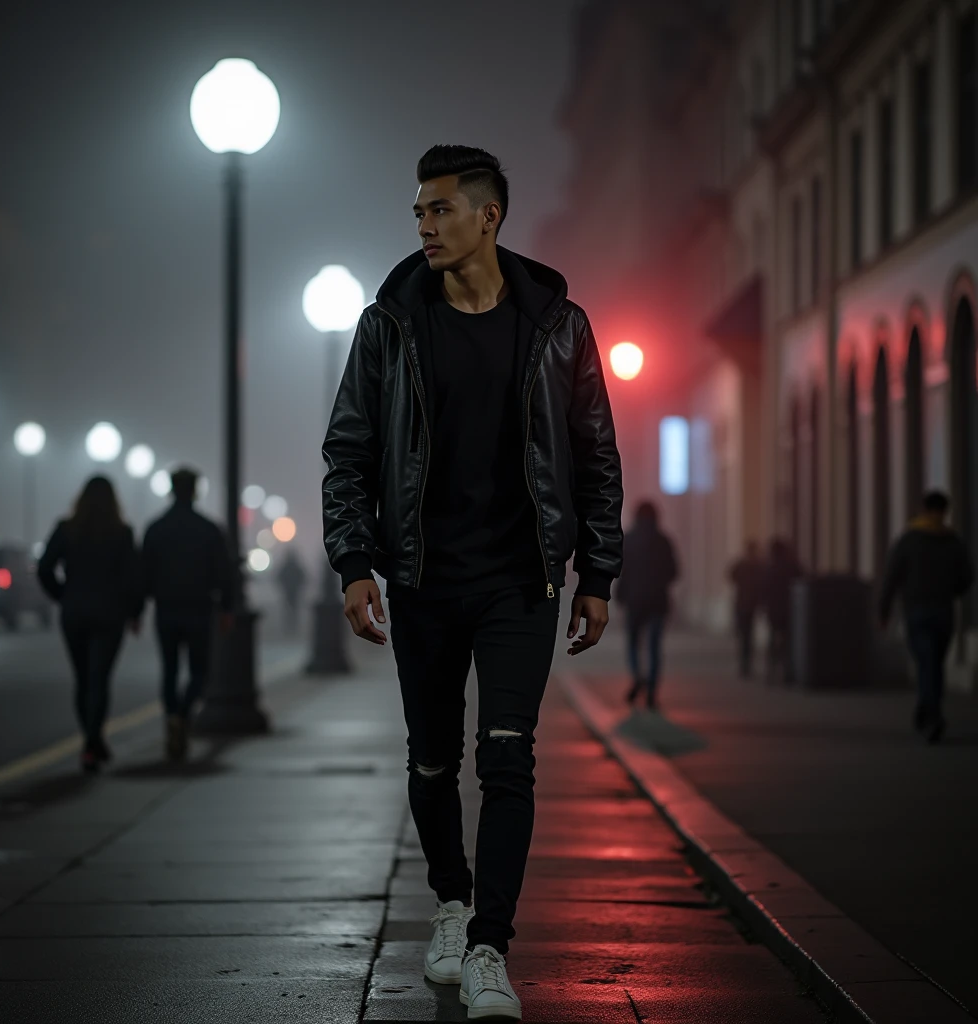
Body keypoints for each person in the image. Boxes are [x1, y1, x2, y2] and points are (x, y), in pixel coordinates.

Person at [321, 145, 623, 1020]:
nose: (423, 227)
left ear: (487, 216)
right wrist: (353, 563)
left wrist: (596, 571)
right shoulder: (390, 324)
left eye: (439, 210)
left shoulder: (559, 323)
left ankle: (491, 944)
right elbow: (349, 450)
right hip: (421, 578)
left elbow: (597, 455)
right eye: (417, 212)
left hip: (520, 581)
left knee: (507, 760)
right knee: (429, 759)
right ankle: (449, 905)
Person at [38, 476, 142, 773]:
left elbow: (45, 568)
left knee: (82, 678)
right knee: (99, 678)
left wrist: (62, 595)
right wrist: (134, 612)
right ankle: (92, 742)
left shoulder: (66, 529)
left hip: (75, 613)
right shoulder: (122, 533)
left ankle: (91, 739)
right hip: (110, 614)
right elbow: (133, 577)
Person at [142, 467, 232, 760]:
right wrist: (227, 607)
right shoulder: (208, 529)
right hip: (198, 608)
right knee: (199, 671)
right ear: (195, 490)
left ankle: (172, 718)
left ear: (170, 490)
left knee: (169, 670)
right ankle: (182, 715)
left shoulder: (156, 528)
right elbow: (223, 572)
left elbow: (144, 573)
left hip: (166, 608)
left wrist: (136, 610)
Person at [879, 490, 974, 742]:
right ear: (944, 511)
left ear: (923, 509)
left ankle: (929, 712)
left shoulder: (908, 540)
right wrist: (951, 589)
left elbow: (891, 577)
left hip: (916, 611)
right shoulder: (953, 541)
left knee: (926, 663)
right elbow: (966, 578)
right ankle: (930, 712)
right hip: (943, 611)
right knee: (935, 664)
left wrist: (884, 611)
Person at [615, 501, 679, 708]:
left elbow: (621, 570)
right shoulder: (664, 541)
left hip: (634, 601)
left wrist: (621, 595)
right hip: (658, 601)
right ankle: (651, 689)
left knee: (633, 643)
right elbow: (674, 572)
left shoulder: (629, 540)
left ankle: (637, 676)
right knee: (654, 646)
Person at [762, 538, 802, 684]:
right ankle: (787, 672)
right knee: (787, 641)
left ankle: (771, 672)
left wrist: (764, 605)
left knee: (773, 639)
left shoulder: (769, 568)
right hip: (789, 610)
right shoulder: (792, 566)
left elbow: (763, 589)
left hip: (774, 610)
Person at [729, 540, 765, 678]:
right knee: (747, 635)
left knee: (744, 635)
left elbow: (731, 576)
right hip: (750, 605)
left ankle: (744, 664)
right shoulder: (758, 566)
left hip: (742, 604)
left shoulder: (742, 565)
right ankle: (746, 663)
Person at [276, 548, 307, 631]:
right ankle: (292, 626)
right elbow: (303, 578)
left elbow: (279, 577)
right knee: (294, 610)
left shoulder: (286, 566)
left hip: (289, 591)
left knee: (288, 609)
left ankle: (289, 626)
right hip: (294, 591)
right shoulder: (295, 567)